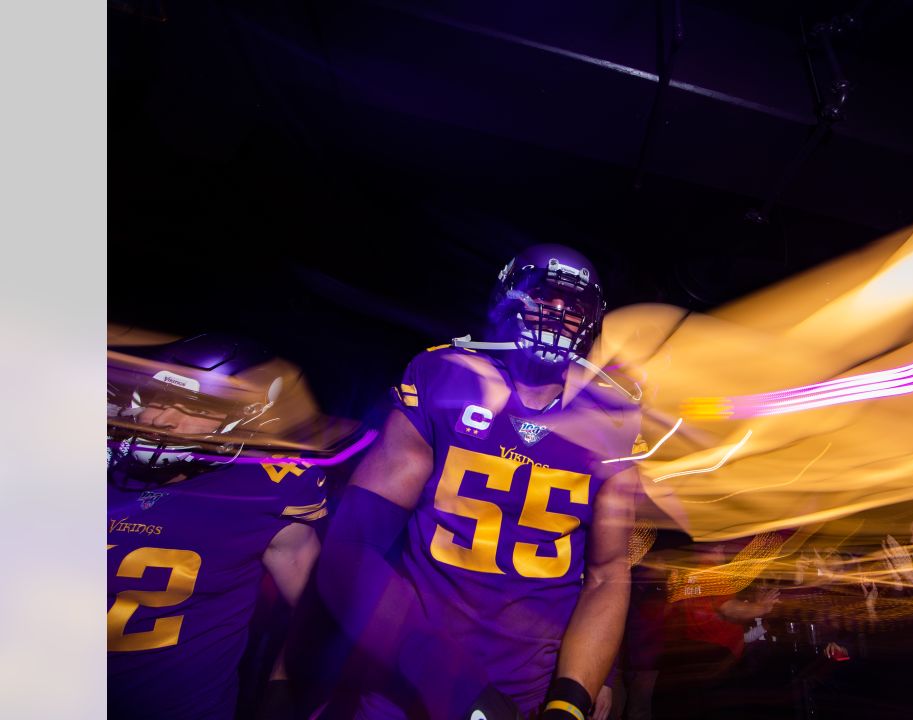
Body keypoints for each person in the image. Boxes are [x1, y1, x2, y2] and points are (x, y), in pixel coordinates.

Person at [318, 244, 644, 720]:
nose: (557, 314)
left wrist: (574, 695)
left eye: (573, 306)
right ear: (507, 298)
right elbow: (353, 547)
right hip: (410, 673)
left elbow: (607, 574)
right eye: (544, 296)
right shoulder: (445, 375)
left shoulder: (613, 415)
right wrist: (453, 685)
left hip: (530, 686)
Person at [107, 333, 329, 719]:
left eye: (195, 407)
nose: (162, 420)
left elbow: (316, 616)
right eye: (157, 400)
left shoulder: (267, 490)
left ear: (246, 419)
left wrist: (281, 696)